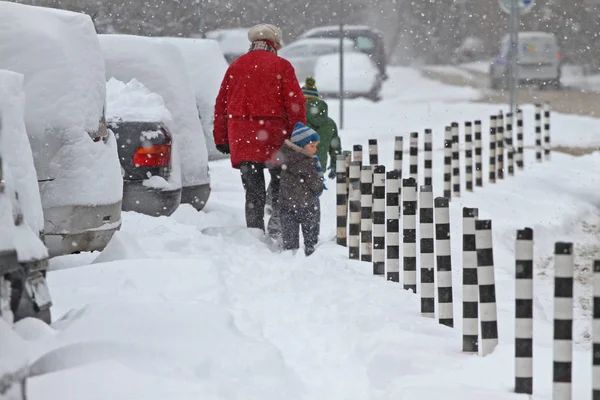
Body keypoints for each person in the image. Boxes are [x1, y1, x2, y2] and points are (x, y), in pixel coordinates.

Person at [213, 23, 306, 239]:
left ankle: (254, 232)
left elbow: (221, 105)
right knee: (280, 182)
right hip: (275, 136)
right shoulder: (281, 66)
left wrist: (221, 137)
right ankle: (277, 225)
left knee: (252, 189)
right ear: (275, 44)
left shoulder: (236, 66)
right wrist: (298, 133)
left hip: (243, 136)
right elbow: (295, 103)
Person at [276, 122, 325, 256]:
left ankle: (290, 251)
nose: (315, 149)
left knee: (289, 235)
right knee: (311, 231)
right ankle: (311, 248)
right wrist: (319, 189)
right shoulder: (307, 162)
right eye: (312, 146)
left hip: (286, 205)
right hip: (307, 204)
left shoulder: (285, 157)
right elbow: (315, 183)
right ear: (301, 146)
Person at [301, 77, 341, 179]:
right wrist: (335, 165)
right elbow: (335, 148)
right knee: (313, 194)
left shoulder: (297, 121)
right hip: (319, 169)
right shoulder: (330, 123)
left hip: (297, 169)